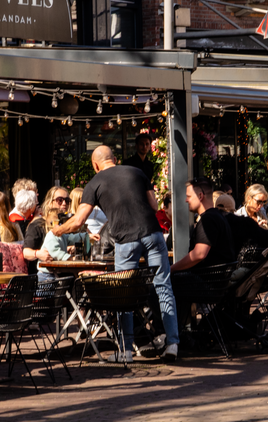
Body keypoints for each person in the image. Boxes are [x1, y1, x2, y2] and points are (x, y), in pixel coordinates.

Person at [53, 145, 179, 363]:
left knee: (125, 295)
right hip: (153, 234)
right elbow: (154, 204)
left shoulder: (95, 182)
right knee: (163, 287)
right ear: (115, 159)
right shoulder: (137, 172)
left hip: (125, 240)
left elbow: (79, 220)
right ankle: (173, 344)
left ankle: (126, 351)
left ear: (95, 165)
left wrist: (58, 230)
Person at [172, 178, 236, 272]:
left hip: (209, 282)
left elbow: (199, 254)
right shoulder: (216, 216)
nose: (186, 200)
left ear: (200, 196)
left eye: (189, 196)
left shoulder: (208, 219)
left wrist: (171, 269)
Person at [24, 186, 71, 270]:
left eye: (67, 201)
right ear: (49, 203)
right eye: (60, 200)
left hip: (65, 272)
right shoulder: (38, 225)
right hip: (44, 274)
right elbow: (25, 252)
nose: (64, 203)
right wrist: (38, 254)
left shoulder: (68, 225)